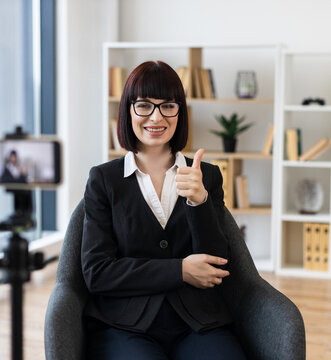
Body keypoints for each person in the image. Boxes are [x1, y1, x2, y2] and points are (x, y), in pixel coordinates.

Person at [81, 61, 246, 359]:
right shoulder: (103, 180)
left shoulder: (206, 176)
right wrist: (180, 270)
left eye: (168, 105)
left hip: (198, 323)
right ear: (128, 110)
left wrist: (200, 202)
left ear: (180, 112)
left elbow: (217, 267)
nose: (156, 117)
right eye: (144, 105)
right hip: (125, 325)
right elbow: (97, 272)